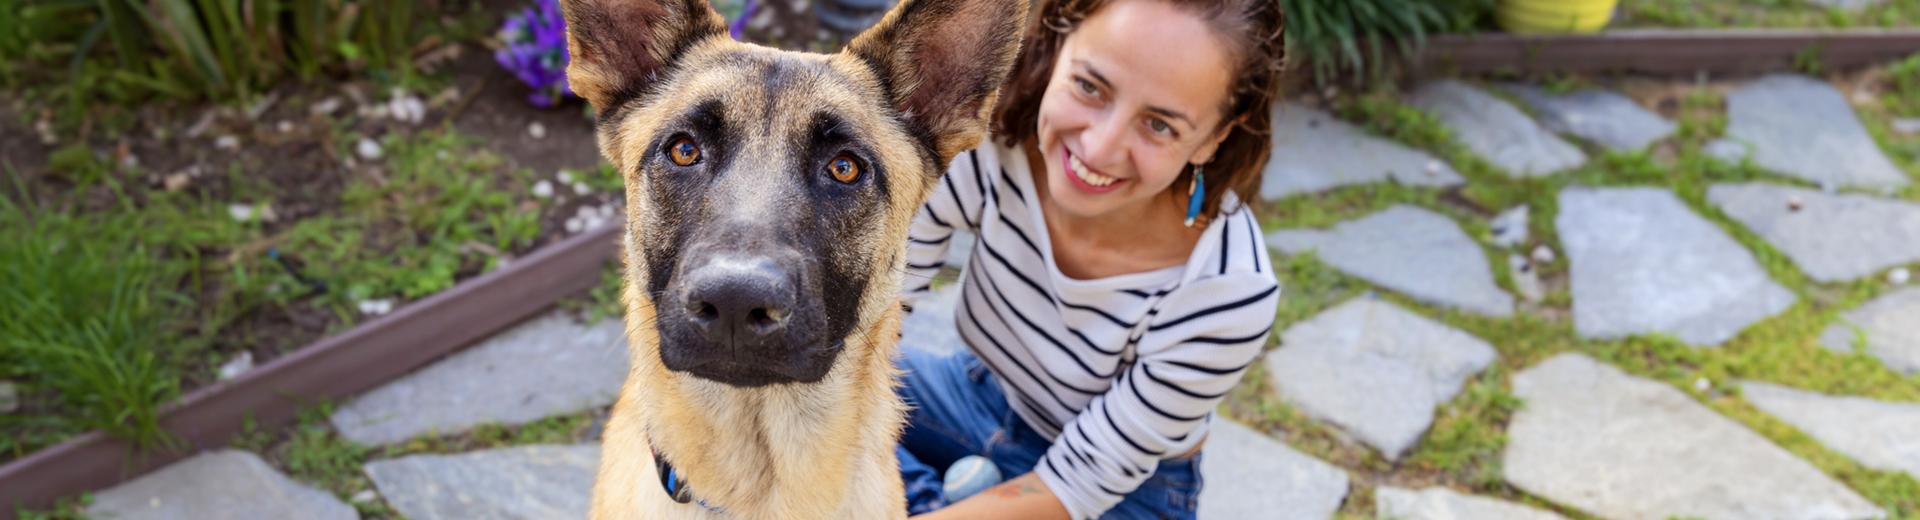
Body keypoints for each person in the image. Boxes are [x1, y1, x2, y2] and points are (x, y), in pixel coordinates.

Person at [892, 0, 1286, 518]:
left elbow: (1079, 483)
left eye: (1160, 125)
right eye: (1090, 87)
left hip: (1125, 494)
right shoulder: (983, 146)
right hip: (979, 400)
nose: (1100, 148)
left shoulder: (1228, 289)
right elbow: (880, 310)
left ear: (1214, 138)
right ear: (1057, 44)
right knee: (790, 390)